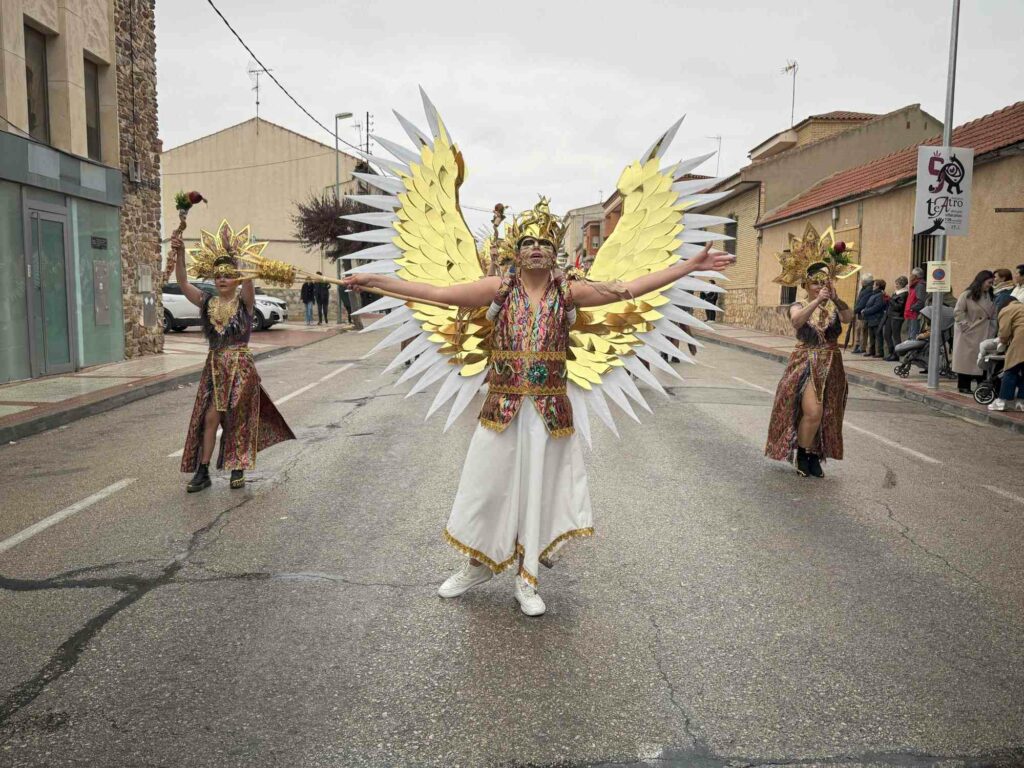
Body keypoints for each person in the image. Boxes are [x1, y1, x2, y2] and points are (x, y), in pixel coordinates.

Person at [344, 203, 734, 616]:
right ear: (516, 249)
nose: (535, 248)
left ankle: (526, 579)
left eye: (543, 242)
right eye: (527, 242)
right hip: (501, 408)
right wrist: (374, 280)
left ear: (553, 252)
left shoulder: (569, 292)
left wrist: (690, 266)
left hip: (549, 413)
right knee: (486, 487)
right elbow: (435, 294)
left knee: (538, 490)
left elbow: (632, 288)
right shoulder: (498, 289)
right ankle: (478, 565)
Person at [172, 220, 295, 492]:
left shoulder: (245, 304)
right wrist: (180, 254)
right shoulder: (206, 302)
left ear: (237, 278)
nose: (223, 278)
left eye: (228, 274)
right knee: (210, 418)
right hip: (215, 368)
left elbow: (249, 281)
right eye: (218, 275)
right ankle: (202, 471)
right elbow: (181, 282)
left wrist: (243, 260)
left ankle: (236, 466)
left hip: (240, 368)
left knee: (238, 418)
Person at [952, 270, 996, 394]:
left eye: (992, 283)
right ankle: (963, 385)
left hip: (985, 332)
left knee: (981, 360)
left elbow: (994, 315)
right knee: (965, 360)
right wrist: (966, 326)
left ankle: (981, 385)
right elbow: (958, 312)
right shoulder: (967, 295)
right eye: (989, 282)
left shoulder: (991, 296)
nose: (990, 285)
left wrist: (993, 328)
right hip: (968, 333)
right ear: (981, 281)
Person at [988, 297, 1024, 412]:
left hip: (1021, 341)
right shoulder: (1021, 307)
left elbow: (1004, 332)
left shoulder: (1007, 309)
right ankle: (1021, 402)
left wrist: (1002, 342)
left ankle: (1002, 401)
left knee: (1010, 370)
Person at [884, 276, 909, 360]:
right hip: (890, 315)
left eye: (897, 284)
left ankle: (896, 354)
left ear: (902, 284)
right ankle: (891, 352)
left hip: (897, 317)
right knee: (887, 334)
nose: (896, 285)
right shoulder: (897, 292)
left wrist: (890, 299)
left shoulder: (904, 294)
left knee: (896, 336)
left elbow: (899, 307)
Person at [861, 278, 887, 358]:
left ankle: (879, 352)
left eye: (874, 284)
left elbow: (877, 307)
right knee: (871, 336)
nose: (873, 286)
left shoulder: (879, 295)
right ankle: (872, 351)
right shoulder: (874, 294)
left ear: (878, 286)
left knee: (878, 336)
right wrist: (865, 310)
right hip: (871, 318)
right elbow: (869, 305)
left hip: (877, 318)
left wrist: (865, 311)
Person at [851, 274, 876, 354]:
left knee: (863, 331)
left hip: (863, 314)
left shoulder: (868, 290)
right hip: (860, 313)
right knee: (859, 330)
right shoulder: (865, 288)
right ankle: (858, 346)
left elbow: (863, 303)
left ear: (865, 282)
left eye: (862, 280)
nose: (861, 282)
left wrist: (855, 310)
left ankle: (862, 348)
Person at [904, 267, 927, 339]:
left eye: (912, 274)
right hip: (911, 314)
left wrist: (912, 308)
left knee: (913, 336)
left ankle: (913, 350)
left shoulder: (920, 285)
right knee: (911, 335)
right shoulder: (915, 285)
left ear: (916, 276)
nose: (910, 276)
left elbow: (921, 301)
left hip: (915, 314)